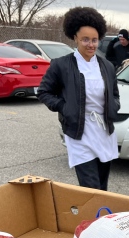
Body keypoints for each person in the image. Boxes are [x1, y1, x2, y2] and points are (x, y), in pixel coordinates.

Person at [37, 7, 120, 191]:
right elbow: (44, 92)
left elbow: (114, 93)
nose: (90, 45)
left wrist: (114, 106)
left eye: (94, 40)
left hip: (104, 132)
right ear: (74, 37)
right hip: (79, 133)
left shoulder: (106, 66)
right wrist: (64, 107)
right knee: (90, 189)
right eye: (85, 39)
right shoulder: (61, 65)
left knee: (102, 187)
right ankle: (92, 217)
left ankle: (100, 218)